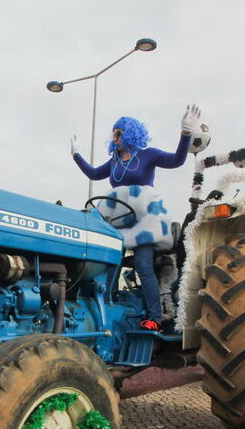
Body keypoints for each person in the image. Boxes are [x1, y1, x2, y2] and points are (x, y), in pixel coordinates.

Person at [71, 105, 200, 331]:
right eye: (113, 134)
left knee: (142, 264)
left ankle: (154, 317)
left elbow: (176, 160)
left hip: (143, 215)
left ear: (130, 133)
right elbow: (94, 173)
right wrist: (76, 155)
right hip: (117, 215)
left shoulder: (147, 155)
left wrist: (186, 134)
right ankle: (108, 309)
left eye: (118, 133)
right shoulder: (114, 160)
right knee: (110, 263)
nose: (114, 138)